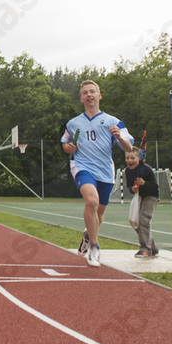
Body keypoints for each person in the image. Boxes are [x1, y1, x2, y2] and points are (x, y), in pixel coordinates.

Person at [61, 80, 133, 268]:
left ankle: (88, 235)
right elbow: (65, 143)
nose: (89, 95)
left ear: (99, 96)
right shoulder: (73, 123)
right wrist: (68, 147)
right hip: (82, 166)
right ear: (81, 98)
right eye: (85, 92)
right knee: (91, 201)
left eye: (92, 91)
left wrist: (119, 136)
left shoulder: (113, 122)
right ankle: (94, 246)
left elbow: (128, 147)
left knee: (99, 213)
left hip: (105, 171)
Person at [124, 147, 159, 258]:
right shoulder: (127, 171)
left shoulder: (146, 169)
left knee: (144, 220)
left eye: (132, 158)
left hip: (150, 196)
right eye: (127, 158)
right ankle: (153, 247)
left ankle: (145, 248)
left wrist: (144, 183)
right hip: (139, 197)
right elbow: (130, 186)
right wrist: (133, 188)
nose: (130, 160)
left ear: (139, 158)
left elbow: (155, 188)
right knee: (134, 221)